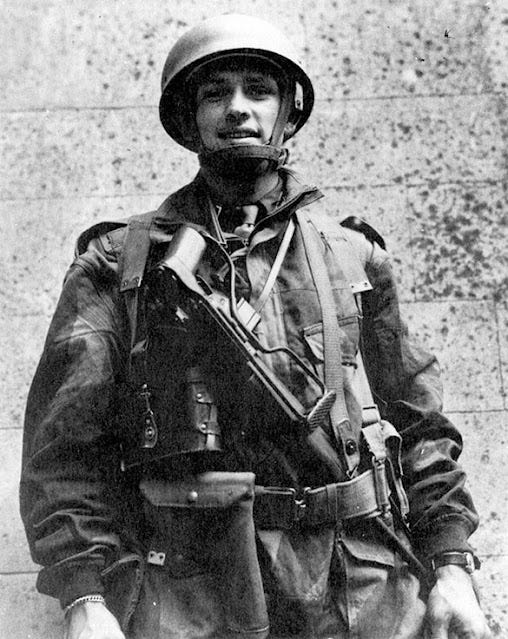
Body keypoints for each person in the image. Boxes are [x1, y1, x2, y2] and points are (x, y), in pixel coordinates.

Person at [20, 13, 491, 639]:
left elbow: (420, 422)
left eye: (259, 90)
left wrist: (452, 565)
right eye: (216, 93)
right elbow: (63, 452)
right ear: (189, 118)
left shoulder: (351, 257)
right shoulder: (120, 265)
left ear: (288, 113)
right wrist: (85, 598)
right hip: (195, 589)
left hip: (361, 586)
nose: (238, 108)